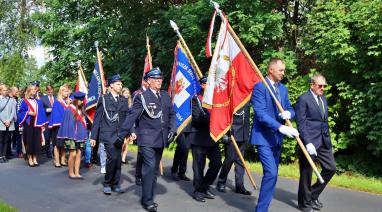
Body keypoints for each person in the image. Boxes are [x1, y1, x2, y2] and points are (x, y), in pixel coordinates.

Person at [118, 68, 176, 212]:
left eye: (160, 78)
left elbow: (172, 115)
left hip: (161, 139)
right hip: (147, 139)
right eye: (156, 79)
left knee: (154, 169)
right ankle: (147, 200)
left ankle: (149, 194)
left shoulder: (165, 96)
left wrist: (173, 131)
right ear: (148, 81)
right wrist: (122, 134)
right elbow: (132, 116)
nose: (159, 81)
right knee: (149, 169)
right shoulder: (142, 97)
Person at [250, 57, 299, 212]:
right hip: (263, 137)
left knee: (273, 176)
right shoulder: (260, 87)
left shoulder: (283, 88)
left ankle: (263, 208)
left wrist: (289, 114)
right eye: (281, 70)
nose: (283, 73)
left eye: (284, 70)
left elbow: (291, 108)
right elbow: (261, 114)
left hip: (277, 139)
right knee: (271, 173)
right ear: (271, 70)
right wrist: (281, 127)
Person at [296, 74, 336, 212]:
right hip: (309, 142)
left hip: (323, 142)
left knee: (331, 168)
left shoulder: (323, 99)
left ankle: (312, 195)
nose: (323, 88)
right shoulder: (303, 99)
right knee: (306, 173)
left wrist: (328, 142)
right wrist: (307, 142)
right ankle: (304, 203)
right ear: (312, 85)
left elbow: (323, 122)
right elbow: (301, 124)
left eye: (325, 85)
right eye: (320, 85)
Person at [90, 74, 130, 195]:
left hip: (120, 135)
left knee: (118, 160)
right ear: (111, 85)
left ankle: (115, 184)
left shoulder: (123, 100)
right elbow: (97, 119)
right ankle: (107, 183)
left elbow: (127, 118)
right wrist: (93, 136)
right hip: (107, 134)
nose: (120, 86)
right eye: (118, 84)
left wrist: (131, 132)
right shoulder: (104, 99)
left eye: (121, 84)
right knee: (113, 157)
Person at [190, 77, 222, 203]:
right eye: (207, 84)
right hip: (198, 137)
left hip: (212, 138)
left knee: (217, 163)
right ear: (202, 85)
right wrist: (214, 119)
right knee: (199, 167)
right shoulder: (196, 99)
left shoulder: (216, 100)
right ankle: (198, 191)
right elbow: (197, 118)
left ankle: (204, 187)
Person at [216, 101, 251, 195]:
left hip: (244, 133)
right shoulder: (231, 98)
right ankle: (221, 181)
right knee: (229, 159)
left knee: (240, 161)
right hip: (233, 134)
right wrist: (226, 133)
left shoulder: (246, 98)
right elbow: (224, 116)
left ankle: (239, 186)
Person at [57, 92, 88, 179]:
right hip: (71, 135)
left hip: (80, 135)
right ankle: (71, 172)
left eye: (83, 100)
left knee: (79, 154)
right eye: (81, 100)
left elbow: (83, 123)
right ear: (76, 100)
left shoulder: (81, 110)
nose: (82, 102)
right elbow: (66, 124)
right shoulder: (69, 110)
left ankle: (77, 172)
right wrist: (67, 135)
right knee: (73, 154)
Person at [18, 84, 48, 167]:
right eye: (32, 89)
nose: (34, 91)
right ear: (29, 91)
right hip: (29, 123)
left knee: (37, 141)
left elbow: (42, 113)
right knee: (29, 141)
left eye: (35, 89)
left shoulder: (38, 101)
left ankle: (35, 158)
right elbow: (20, 112)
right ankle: (30, 158)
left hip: (37, 123)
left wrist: (43, 124)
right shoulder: (25, 101)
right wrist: (28, 112)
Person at [49, 84, 71, 167]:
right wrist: (68, 106)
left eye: (67, 91)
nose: (67, 92)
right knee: (57, 144)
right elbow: (57, 115)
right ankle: (57, 161)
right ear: (61, 92)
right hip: (58, 127)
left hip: (66, 126)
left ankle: (63, 160)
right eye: (65, 91)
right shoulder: (57, 102)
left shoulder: (68, 101)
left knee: (64, 145)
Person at [132, 79, 149, 186]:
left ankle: (147, 175)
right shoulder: (137, 94)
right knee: (142, 154)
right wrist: (133, 129)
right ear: (144, 82)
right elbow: (133, 112)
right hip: (140, 128)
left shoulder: (155, 94)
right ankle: (138, 176)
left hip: (152, 130)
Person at [0, 84, 17, 163]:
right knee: (1, 140)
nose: (5, 91)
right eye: (4, 90)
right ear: (0, 91)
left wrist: (9, 120)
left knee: (7, 140)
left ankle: (4, 155)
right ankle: (0, 156)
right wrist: (4, 121)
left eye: (6, 90)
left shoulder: (11, 99)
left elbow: (13, 111)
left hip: (9, 123)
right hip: (1, 123)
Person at [40, 85, 56, 158]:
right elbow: (40, 109)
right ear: (46, 91)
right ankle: (48, 152)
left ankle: (54, 151)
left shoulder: (56, 98)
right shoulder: (43, 98)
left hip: (55, 121)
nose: (50, 93)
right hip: (47, 120)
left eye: (51, 92)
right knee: (47, 137)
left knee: (55, 137)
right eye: (49, 92)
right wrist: (46, 110)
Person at [9, 86, 22, 158]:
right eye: (16, 92)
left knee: (18, 136)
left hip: (17, 120)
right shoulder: (8, 99)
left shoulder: (18, 99)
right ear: (12, 91)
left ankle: (19, 151)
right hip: (9, 120)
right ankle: (7, 152)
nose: (17, 93)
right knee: (8, 137)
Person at [121, 87, 133, 164]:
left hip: (128, 125)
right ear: (122, 94)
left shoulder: (130, 103)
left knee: (127, 143)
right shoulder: (120, 102)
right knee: (123, 143)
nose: (127, 94)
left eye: (128, 93)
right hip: (122, 125)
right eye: (125, 93)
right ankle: (119, 156)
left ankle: (123, 159)